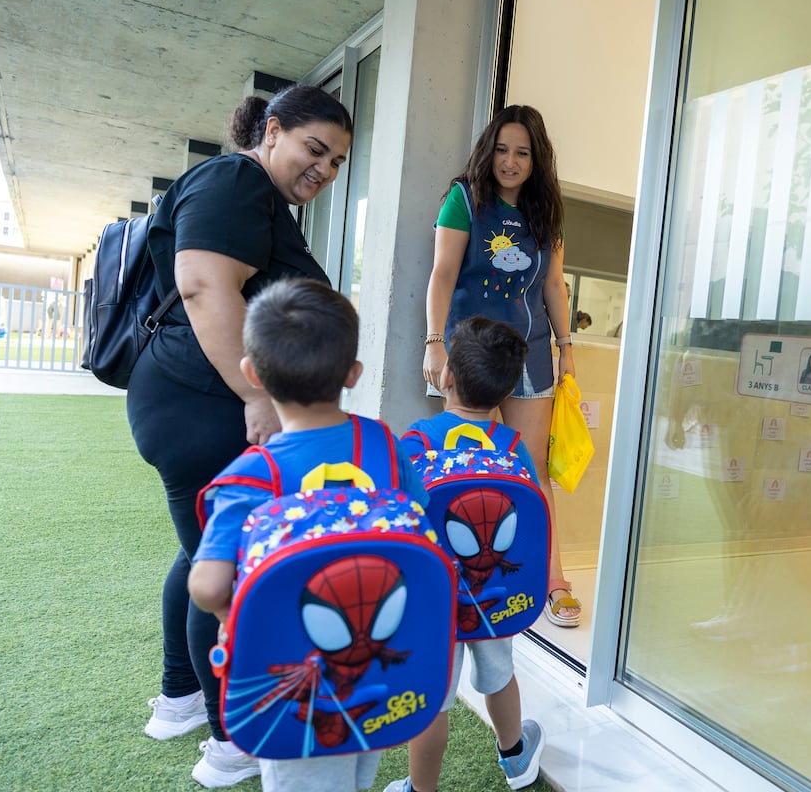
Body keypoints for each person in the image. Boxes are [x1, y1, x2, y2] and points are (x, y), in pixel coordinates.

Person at [126, 85, 353, 787]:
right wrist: (255, 397)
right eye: (314, 149)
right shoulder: (235, 179)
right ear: (274, 131)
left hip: (191, 398)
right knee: (227, 575)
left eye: (339, 161)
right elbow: (202, 285)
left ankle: (179, 700)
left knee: (202, 548)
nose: (323, 169)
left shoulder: (260, 199)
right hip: (204, 402)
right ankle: (232, 741)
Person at [188, 277, 430, 792]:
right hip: (379, 672)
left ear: (252, 373)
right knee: (355, 774)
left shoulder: (249, 478)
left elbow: (208, 586)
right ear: (353, 373)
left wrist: (233, 615)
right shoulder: (386, 447)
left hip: (297, 681)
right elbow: (422, 531)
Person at [422, 104, 581, 628]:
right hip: (471, 353)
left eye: (522, 152)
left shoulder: (547, 213)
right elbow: (443, 274)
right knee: (465, 464)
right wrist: (434, 343)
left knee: (533, 472)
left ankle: (552, 580)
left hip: (531, 353)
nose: (510, 161)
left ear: (537, 160)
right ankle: (462, 576)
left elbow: (554, 285)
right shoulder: (463, 198)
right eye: (502, 149)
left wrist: (567, 346)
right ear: (488, 150)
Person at [390, 315, 545, 792]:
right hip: (494, 592)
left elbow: (398, 518)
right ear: (504, 392)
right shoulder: (513, 447)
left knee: (433, 696)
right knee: (500, 676)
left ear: (447, 376)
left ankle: (422, 789)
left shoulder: (415, 441)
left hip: (435, 601)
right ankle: (516, 758)